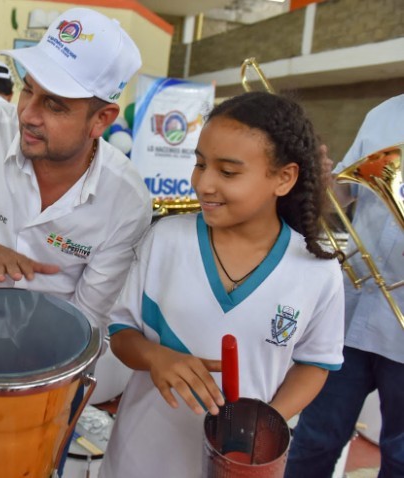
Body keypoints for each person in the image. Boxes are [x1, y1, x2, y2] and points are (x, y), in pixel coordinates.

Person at [0, 7, 152, 477]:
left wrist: (35, 384)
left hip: (49, 376)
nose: (28, 114)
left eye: (55, 104)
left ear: (101, 119)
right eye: (28, 89)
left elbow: (91, 317)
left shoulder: (126, 199)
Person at [100, 91, 346, 478]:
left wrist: (263, 423)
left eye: (228, 172)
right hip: (142, 453)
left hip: (243, 465)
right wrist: (155, 357)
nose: (204, 184)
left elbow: (315, 363)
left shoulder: (316, 271)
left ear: (284, 178)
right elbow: (120, 332)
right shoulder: (166, 240)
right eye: (200, 164)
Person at [286, 94, 404, 478]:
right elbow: (344, 195)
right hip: (352, 312)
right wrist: (323, 180)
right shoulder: (383, 114)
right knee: (315, 438)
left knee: (401, 455)